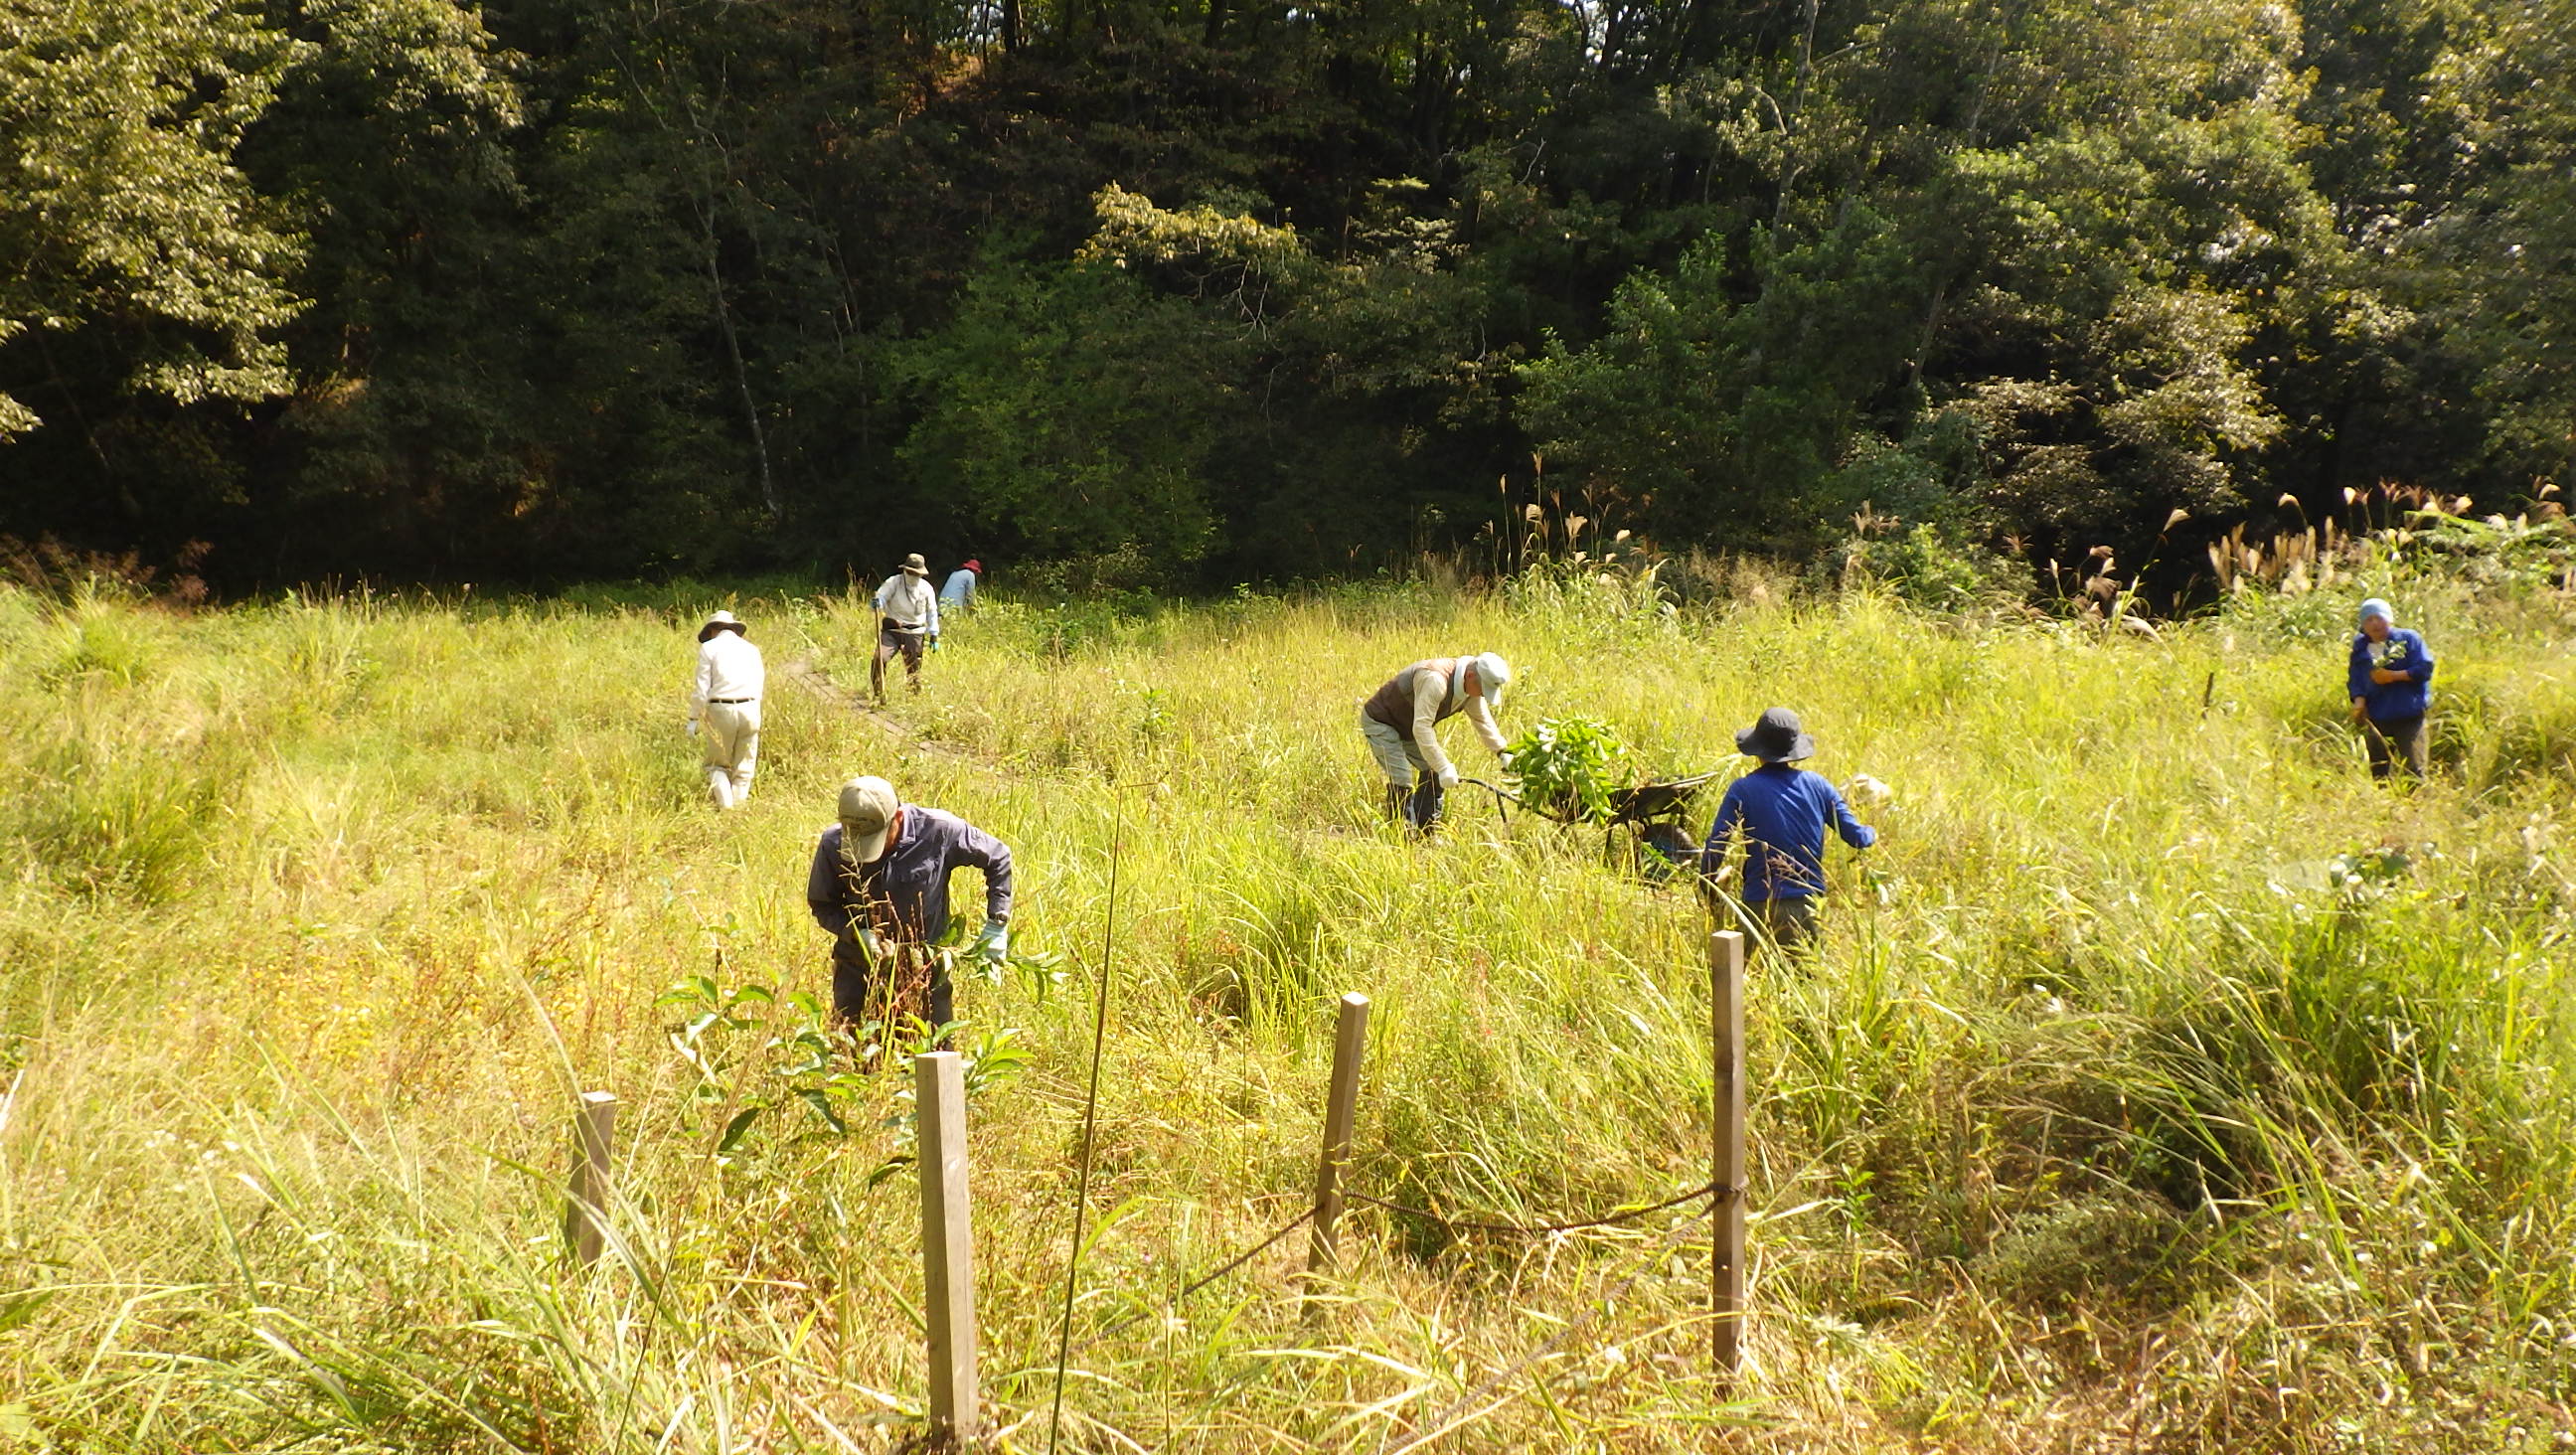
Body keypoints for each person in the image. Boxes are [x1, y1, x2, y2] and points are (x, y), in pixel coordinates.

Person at [805, 776, 1012, 1033]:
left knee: (935, 1053)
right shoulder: (833, 843)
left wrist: (996, 924)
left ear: (898, 818)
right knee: (853, 1052)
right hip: (858, 970)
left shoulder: (938, 830)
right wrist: (857, 933)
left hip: (924, 970)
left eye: (877, 838)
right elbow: (823, 905)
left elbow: (998, 856)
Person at [1698, 708, 1878, 951]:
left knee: (1743, 980)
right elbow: (1857, 838)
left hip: (1759, 904)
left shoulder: (1743, 789)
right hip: (1808, 904)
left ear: (1758, 750)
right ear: (1794, 751)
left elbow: (1717, 843)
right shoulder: (1818, 786)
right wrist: (1872, 831)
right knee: (1805, 982)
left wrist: (1707, 883)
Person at [1359, 653, 1512, 831]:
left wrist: (1503, 752)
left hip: (1409, 726)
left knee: (1433, 772)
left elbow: (1482, 721)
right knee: (1402, 778)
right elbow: (1422, 728)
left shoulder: (1470, 688)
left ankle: (1426, 832)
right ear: (1470, 677)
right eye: (1484, 690)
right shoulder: (1436, 681)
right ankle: (1399, 833)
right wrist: (1444, 766)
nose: (1484, 696)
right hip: (1382, 721)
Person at [686, 609, 764, 810]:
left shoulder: (709, 649)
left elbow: (702, 690)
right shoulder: (751, 649)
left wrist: (693, 718)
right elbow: (759, 684)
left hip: (721, 709)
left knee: (716, 764)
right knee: (744, 767)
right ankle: (738, 808)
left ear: (712, 629)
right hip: (751, 708)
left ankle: (726, 808)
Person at [2349, 597, 2435, 779]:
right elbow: (2356, 678)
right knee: (2379, 770)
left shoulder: (2408, 639)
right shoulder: (2362, 646)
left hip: (2408, 715)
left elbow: (2424, 668)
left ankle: (2416, 805)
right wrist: (2359, 702)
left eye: (2378, 618)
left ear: (2389, 619)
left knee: (2414, 768)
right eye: (2368, 620)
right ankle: (2385, 805)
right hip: (2378, 715)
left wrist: (2394, 676)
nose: (2374, 624)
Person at [871, 554, 941, 698]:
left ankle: (913, 697)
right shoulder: (894, 582)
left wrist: (934, 634)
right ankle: (878, 692)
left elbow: (932, 611)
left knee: (914, 669)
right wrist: (878, 603)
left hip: (915, 631)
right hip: (892, 629)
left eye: (917, 573)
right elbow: (882, 596)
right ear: (904, 570)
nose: (913, 576)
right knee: (879, 658)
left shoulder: (926, 588)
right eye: (910, 572)